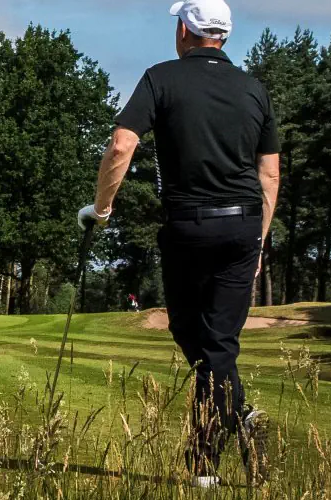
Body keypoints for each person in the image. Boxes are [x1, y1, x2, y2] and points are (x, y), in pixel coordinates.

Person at [80, 0, 281, 488]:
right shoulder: (254, 90)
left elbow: (122, 144)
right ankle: (242, 416)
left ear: (184, 31)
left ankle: (204, 467)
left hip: (188, 228)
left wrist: (101, 210)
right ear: (224, 37)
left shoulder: (160, 78)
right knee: (215, 345)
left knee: (200, 339)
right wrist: (259, 240)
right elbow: (269, 172)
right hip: (241, 228)